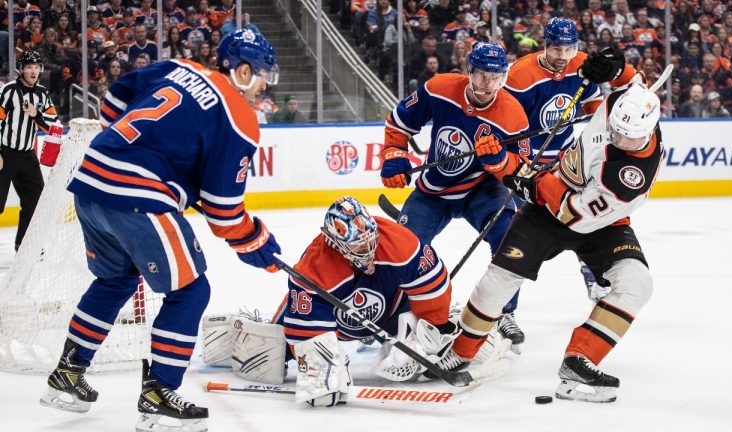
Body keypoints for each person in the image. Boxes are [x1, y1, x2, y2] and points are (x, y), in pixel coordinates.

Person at [39, 29, 281, 432]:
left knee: (115, 280)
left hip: (92, 179)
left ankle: (67, 375)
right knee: (191, 290)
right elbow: (223, 212)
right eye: (261, 77)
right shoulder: (239, 118)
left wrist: (150, 151)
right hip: (138, 196)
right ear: (241, 71)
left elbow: (114, 100)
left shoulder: (176, 67)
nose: (261, 88)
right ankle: (159, 396)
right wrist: (253, 239)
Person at [446, 76, 663, 404]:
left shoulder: (627, 178)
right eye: (615, 128)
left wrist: (511, 169)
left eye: (626, 136)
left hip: (592, 219)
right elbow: (628, 78)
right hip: (558, 201)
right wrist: (612, 68)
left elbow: (568, 212)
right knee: (499, 281)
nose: (616, 137)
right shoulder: (622, 108)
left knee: (636, 283)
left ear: (648, 131)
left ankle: (580, 359)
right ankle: (460, 352)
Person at [223, 197, 504, 406]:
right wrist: (322, 364)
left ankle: (459, 333)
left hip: (391, 310)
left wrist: (428, 332)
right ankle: (231, 336)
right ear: (335, 243)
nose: (368, 249)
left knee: (438, 343)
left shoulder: (399, 243)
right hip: (333, 324)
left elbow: (434, 287)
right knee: (291, 371)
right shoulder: (314, 271)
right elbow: (305, 335)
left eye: (370, 239)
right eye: (358, 246)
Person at [379, 42, 529, 347]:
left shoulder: (513, 114)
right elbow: (399, 120)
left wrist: (500, 162)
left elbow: (523, 169)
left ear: (504, 77)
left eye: (496, 76)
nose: (488, 83)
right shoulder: (440, 88)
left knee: (510, 239)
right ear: (469, 71)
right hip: (434, 189)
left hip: (483, 190)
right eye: (482, 74)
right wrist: (394, 153)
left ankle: (505, 311)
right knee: (400, 248)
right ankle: (394, 313)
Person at [498, 17, 637, 347]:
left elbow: (592, 108)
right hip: (527, 160)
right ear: (544, 45)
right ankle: (503, 311)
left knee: (580, 216)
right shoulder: (520, 74)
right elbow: (505, 117)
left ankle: (592, 274)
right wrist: (520, 159)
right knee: (518, 235)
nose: (563, 55)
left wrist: (594, 113)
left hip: (565, 161)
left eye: (569, 48)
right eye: (556, 48)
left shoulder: (583, 66)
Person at [0, 51, 58, 252]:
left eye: (36, 67)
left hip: (27, 156)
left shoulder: (42, 93)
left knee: (35, 202)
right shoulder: (8, 91)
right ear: (21, 69)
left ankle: (23, 246)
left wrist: (36, 115)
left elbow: (53, 125)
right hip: (5, 154)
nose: (33, 71)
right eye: (29, 67)